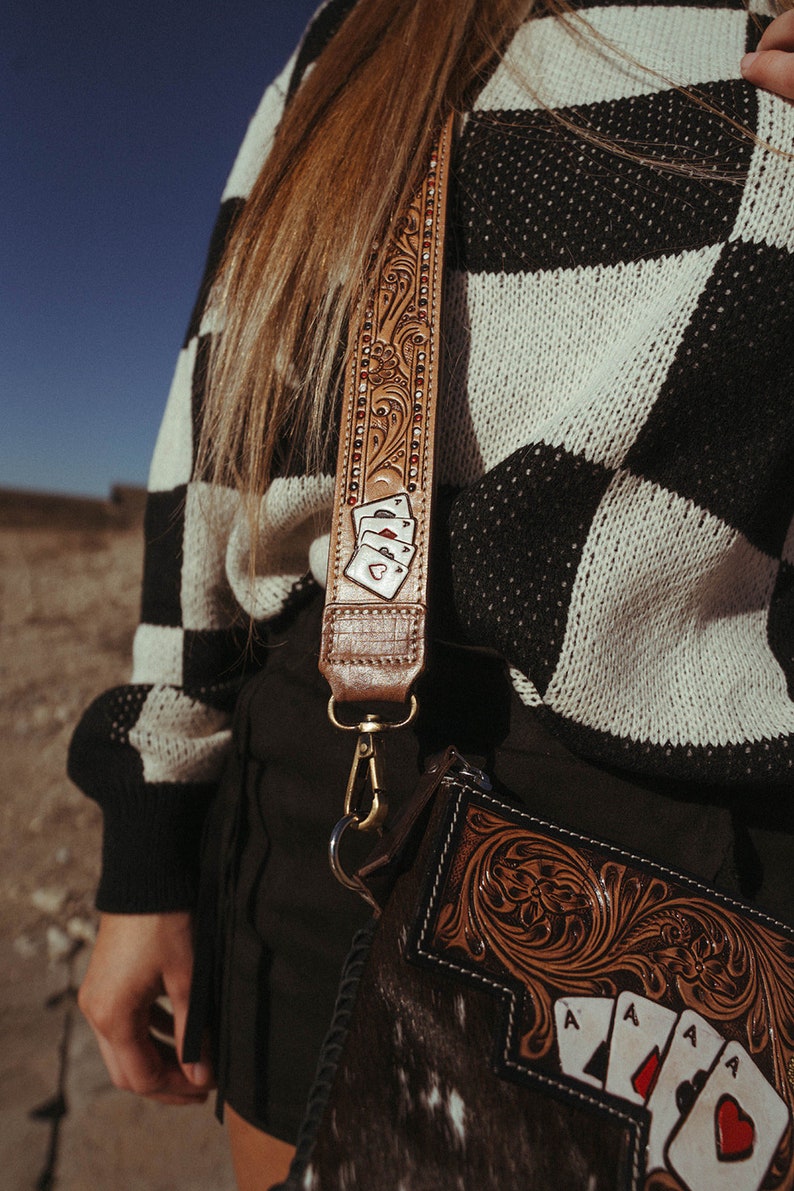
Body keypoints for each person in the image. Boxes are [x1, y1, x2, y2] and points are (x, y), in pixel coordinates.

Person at [69, 0, 794, 1187]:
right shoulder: (367, 28)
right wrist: (151, 836)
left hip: (715, 829)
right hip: (338, 773)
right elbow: (215, 416)